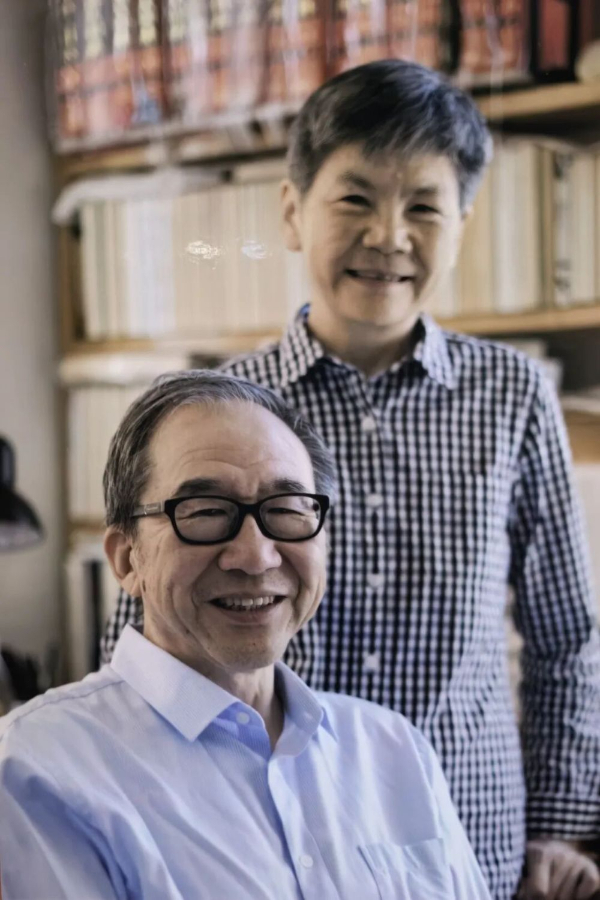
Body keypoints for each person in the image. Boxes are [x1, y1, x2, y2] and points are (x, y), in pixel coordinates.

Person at [103, 61, 600, 899]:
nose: (388, 235)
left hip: (467, 837)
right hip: (254, 838)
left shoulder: (513, 396)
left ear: (463, 224)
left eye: (425, 207)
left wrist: (558, 824)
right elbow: (143, 636)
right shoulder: (217, 411)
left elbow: (566, 637)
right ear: (293, 212)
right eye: (355, 199)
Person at [0, 371, 492, 899]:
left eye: (286, 510)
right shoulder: (37, 768)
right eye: (207, 513)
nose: (256, 557)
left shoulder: (394, 750)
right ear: (126, 560)